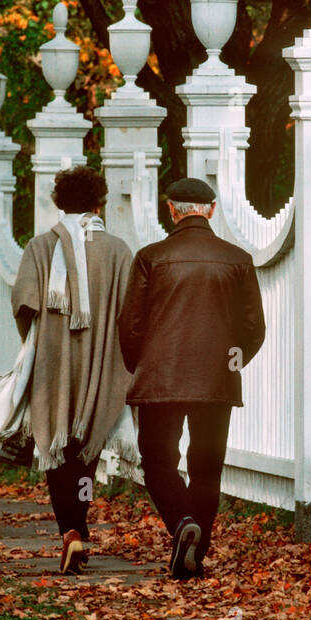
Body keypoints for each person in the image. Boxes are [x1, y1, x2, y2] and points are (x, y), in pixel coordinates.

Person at [118, 177, 265, 581]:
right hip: (216, 381)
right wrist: (233, 361)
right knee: (207, 467)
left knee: (158, 462)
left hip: (160, 381)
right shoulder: (237, 259)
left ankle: (182, 523)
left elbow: (130, 326)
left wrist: (141, 367)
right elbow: (253, 328)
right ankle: (194, 555)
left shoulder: (151, 257)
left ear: (171, 209)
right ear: (212, 210)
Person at [11, 165, 133, 575]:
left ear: (59, 202)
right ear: (100, 203)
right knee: (86, 454)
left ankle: (71, 532)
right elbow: (130, 314)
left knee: (55, 451)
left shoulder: (42, 247)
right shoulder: (117, 251)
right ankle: (79, 528)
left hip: (53, 363)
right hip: (101, 363)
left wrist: (44, 334)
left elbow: (23, 305)